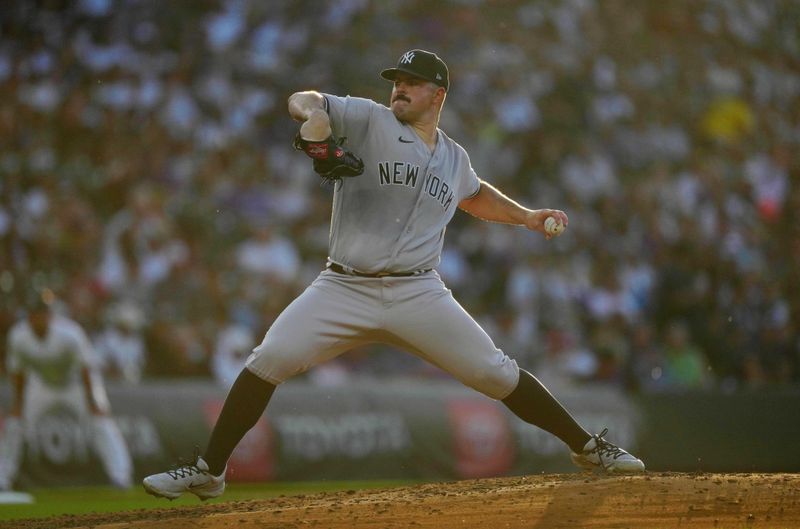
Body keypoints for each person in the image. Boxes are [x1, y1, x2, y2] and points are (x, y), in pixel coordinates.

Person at [143, 49, 644, 500]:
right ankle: (210, 469)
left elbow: (475, 195)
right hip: (343, 285)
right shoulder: (368, 118)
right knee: (270, 357)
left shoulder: (453, 156)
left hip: (417, 290)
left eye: (412, 80)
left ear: (438, 94)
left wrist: (528, 216)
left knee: (495, 371)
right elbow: (303, 97)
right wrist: (314, 112)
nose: (399, 87)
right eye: (396, 79)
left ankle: (586, 447)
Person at [0, 289, 133, 490]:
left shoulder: (69, 333)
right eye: (37, 313)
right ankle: (2, 479)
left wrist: (94, 402)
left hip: (75, 384)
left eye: (45, 313)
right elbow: (18, 372)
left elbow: (86, 368)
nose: (41, 318)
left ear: (50, 315)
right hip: (42, 385)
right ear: (29, 316)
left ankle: (121, 477)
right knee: (14, 424)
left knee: (101, 421)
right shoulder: (18, 337)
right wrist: (17, 405)